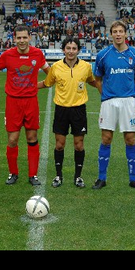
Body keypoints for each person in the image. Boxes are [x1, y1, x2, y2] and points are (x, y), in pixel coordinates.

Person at [0, 25, 50, 186]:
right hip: (13, 102)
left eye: (24, 37)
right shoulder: (8, 54)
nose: (22, 41)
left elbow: (50, 72)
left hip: (31, 101)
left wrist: (44, 84)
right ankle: (13, 173)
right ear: (14, 38)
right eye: (19, 38)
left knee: (32, 137)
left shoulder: (37, 54)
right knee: (13, 139)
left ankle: (33, 175)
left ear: (29, 38)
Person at [92, 19, 135, 191]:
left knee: (130, 140)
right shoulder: (103, 55)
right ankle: (101, 178)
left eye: (120, 31)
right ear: (110, 34)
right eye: (114, 31)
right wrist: (106, 95)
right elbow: (97, 80)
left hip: (129, 102)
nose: (118, 34)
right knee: (106, 138)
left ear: (125, 33)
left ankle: (133, 179)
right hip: (109, 102)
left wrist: (130, 94)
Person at [38, 36, 97, 188]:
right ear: (63, 50)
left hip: (79, 110)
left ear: (78, 50)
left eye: (74, 48)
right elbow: (47, 83)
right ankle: (58, 176)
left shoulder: (86, 67)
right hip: (61, 110)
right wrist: (29, 86)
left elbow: (92, 81)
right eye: (68, 48)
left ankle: (78, 177)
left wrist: (109, 88)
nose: (71, 51)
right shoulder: (56, 67)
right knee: (59, 144)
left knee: (79, 145)